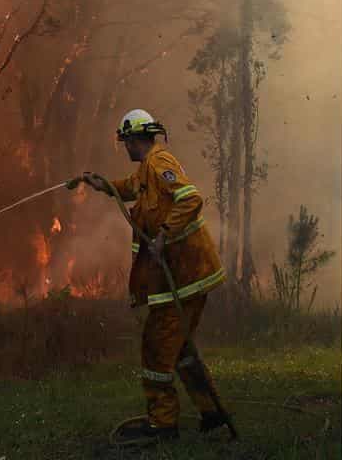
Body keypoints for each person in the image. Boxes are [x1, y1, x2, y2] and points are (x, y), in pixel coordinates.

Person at [70, 108, 228, 444]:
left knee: (156, 349)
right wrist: (103, 185)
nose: (124, 147)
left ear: (134, 139)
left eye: (125, 141)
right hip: (184, 278)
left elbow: (191, 198)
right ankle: (211, 413)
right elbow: (131, 188)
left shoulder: (159, 162)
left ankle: (162, 425)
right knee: (180, 348)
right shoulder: (146, 169)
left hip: (185, 276)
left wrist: (163, 235)